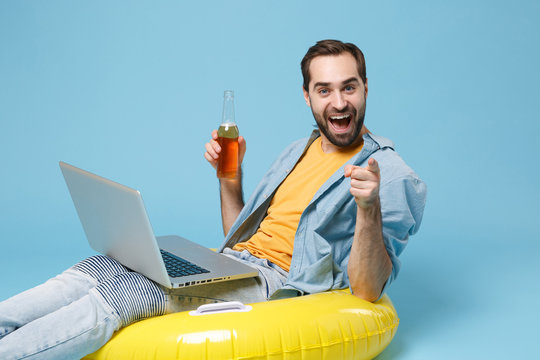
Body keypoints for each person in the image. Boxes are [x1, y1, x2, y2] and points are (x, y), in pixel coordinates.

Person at [0, 39, 426, 359]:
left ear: (366, 88)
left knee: (124, 296)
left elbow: (369, 289)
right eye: (324, 90)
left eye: (349, 88)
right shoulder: (299, 149)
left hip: (273, 284)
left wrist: (367, 209)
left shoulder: (391, 175)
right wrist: (230, 177)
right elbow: (238, 239)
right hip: (234, 263)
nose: (338, 103)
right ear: (307, 96)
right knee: (93, 270)